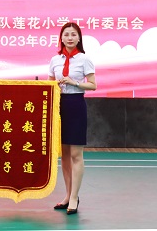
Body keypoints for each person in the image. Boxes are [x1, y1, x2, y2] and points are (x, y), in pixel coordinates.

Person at [48, 22, 96, 215]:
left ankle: (75, 197)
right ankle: (67, 195)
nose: (69, 38)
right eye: (66, 34)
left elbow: (93, 85)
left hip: (76, 105)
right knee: (65, 155)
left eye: (73, 34)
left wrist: (74, 82)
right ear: (61, 38)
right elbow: (50, 84)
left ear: (79, 38)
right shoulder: (55, 60)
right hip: (59, 106)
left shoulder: (84, 59)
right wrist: (55, 87)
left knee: (76, 154)